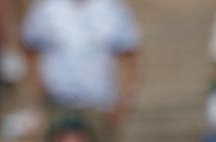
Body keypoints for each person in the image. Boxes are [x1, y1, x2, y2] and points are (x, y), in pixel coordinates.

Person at [21, 0, 141, 133]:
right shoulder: (45, 7)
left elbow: (129, 56)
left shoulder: (114, 7)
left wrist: (123, 101)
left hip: (100, 106)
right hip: (57, 104)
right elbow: (30, 51)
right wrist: (38, 95)